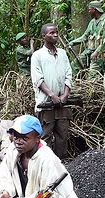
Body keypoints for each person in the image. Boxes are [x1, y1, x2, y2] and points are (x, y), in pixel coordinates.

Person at [31, 23, 73, 158]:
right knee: (45, 137)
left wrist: (65, 94)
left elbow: (68, 74)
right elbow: (38, 79)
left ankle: (61, 165)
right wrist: (52, 95)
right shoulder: (37, 56)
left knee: (62, 136)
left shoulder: (62, 53)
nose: (55, 35)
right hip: (46, 104)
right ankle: (45, 165)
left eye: (56, 32)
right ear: (44, 36)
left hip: (63, 104)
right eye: (51, 33)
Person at [69, 1, 105, 78]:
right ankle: (76, 84)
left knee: (93, 73)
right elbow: (85, 37)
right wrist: (73, 42)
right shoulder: (92, 22)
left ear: (95, 9)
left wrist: (97, 51)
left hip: (101, 53)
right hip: (89, 50)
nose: (89, 11)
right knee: (75, 64)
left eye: (90, 9)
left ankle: (93, 87)